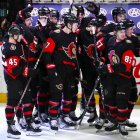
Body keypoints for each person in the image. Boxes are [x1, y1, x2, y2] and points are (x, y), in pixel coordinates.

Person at [1, 24, 41, 139]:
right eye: (19, 35)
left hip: (21, 76)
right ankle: (10, 126)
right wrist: (28, 71)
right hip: (13, 78)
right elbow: (13, 70)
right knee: (12, 102)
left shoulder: (16, 43)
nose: (21, 37)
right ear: (13, 36)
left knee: (27, 98)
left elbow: (27, 41)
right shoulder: (9, 48)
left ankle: (28, 123)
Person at [42, 13, 79, 133]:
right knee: (56, 94)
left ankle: (65, 115)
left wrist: (76, 70)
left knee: (69, 94)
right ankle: (53, 118)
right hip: (58, 70)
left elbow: (73, 54)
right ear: (68, 24)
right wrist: (51, 69)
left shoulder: (74, 36)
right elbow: (47, 53)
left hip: (70, 71)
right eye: (75, 24)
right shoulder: (55, 35)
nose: (77, 26)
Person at [97, 22, 136, 136]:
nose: (124, 34)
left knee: (121, 101)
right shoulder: (110, 41)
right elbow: (109, 56)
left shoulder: (128, 45)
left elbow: (125, 66)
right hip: (111, 78)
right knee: (110, 100)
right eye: (121, 32)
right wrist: (101, 60)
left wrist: (107, 67)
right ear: (115, 33)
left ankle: (122, 123)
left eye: (124, 32)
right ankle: (115, 121)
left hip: (124, 78)